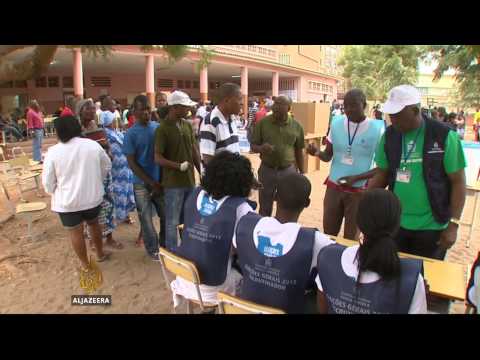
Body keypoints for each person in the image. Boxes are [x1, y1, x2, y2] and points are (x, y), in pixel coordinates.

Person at [234, 173, 334, 313]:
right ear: (307, 203)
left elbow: (235, 250)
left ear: (274, 197)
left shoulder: (245, 224)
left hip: (246, 308)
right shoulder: (318, 241)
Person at [316, 189, 427, 314]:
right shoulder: (411, 278)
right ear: (396, 226)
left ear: (358, 221)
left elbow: (323, 306)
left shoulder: (330, 258)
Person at [170, 151, 255, 310]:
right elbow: (245, 249)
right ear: (243, 181)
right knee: (253, 275)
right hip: (213, 289)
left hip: (185, 277)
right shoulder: (241, 209)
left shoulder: (196, 194)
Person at [306, 89, 384, 240]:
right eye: (346, 105)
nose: (349, 110)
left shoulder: (377, 129)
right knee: (329, 234)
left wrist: (356, 178)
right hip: (334, 187)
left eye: (354, 105)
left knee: (351, 238)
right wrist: (316, 152)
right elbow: (328, 156)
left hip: (359, 191)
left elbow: (382, 168)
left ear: (365, 105)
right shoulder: (336, 124)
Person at [42, 115, 112, 275]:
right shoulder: (92, 146)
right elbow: (106, 165)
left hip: (67, 202)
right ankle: (100, 254)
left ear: (59, 132)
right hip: (92, 198)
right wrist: (97, 181)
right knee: (94, 224)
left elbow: (48, 181)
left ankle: (85, 265)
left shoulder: (53, 152)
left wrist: (54, 191)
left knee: (75, 232)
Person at [154, 91, 202, 251]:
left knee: (188, 218)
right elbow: (158, 158)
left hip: (189, 181)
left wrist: (199, 170)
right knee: (172, 221)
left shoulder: (187, 125)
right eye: (185, 106)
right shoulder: (162, 129)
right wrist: (177, 166)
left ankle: (186, 248)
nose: (188, 109)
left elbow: (194, 149)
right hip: (173, 184)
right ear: (174, 107)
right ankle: (172, 252)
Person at [123, 95, 165, 261]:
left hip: (160, 182)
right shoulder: (130, 134)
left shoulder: (158, 128)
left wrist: (159, 181)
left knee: (166, 216)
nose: (147, 112)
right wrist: (151, 182)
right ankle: (153, 249)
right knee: (146, 219)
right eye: (143, 110)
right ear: (134, 111)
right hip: (141, 184)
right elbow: (132, 163)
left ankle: (165, 246)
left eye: (148, 109)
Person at [251, 95, 305, 217]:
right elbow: (253, 145)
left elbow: (298, 151)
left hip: (288, 172)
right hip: (267, 170)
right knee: (265, 207)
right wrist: (261, 148)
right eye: (275, 104)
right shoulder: (263, 123)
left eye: (280, 104)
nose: (276, 107)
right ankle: (264, 231)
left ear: (289, 108)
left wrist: (302, 172)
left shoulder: (297, 126)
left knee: (286, 206)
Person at [101, 110, 136, 226]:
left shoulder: (115, 132)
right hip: (116, 171)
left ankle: (125, 215)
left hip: (125, 170)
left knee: (126, 193)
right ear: (110, 122)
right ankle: (116, 218)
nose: (116, 122)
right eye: (114, 120)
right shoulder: (104, 134)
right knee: (117, 194)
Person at [199, 83, 242, 165]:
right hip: (219, 177)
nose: (242, 103)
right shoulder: (210, 123)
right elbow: (208, 161)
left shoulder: (232, 119)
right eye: (239, 99)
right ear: (226, 100)